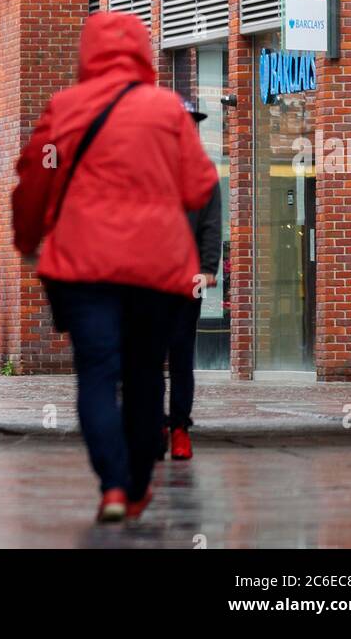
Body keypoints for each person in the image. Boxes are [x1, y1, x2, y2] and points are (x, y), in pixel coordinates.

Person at [13, 11, 219, 525]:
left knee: (98, 374)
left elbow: (35, 180)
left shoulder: (65, 107)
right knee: (148, 372)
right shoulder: (169, 110)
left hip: (84, 267)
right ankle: (138, 484)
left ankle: (110, 485)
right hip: (157, 267)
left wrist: (27, 238)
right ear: (143, 53)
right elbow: (198, 187)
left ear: (88, 54)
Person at [162, 100, 222, 462]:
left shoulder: (204, 174)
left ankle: (180, 427)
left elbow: (212, 226)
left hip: (187, 280)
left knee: (181, 355)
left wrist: (208, 268)